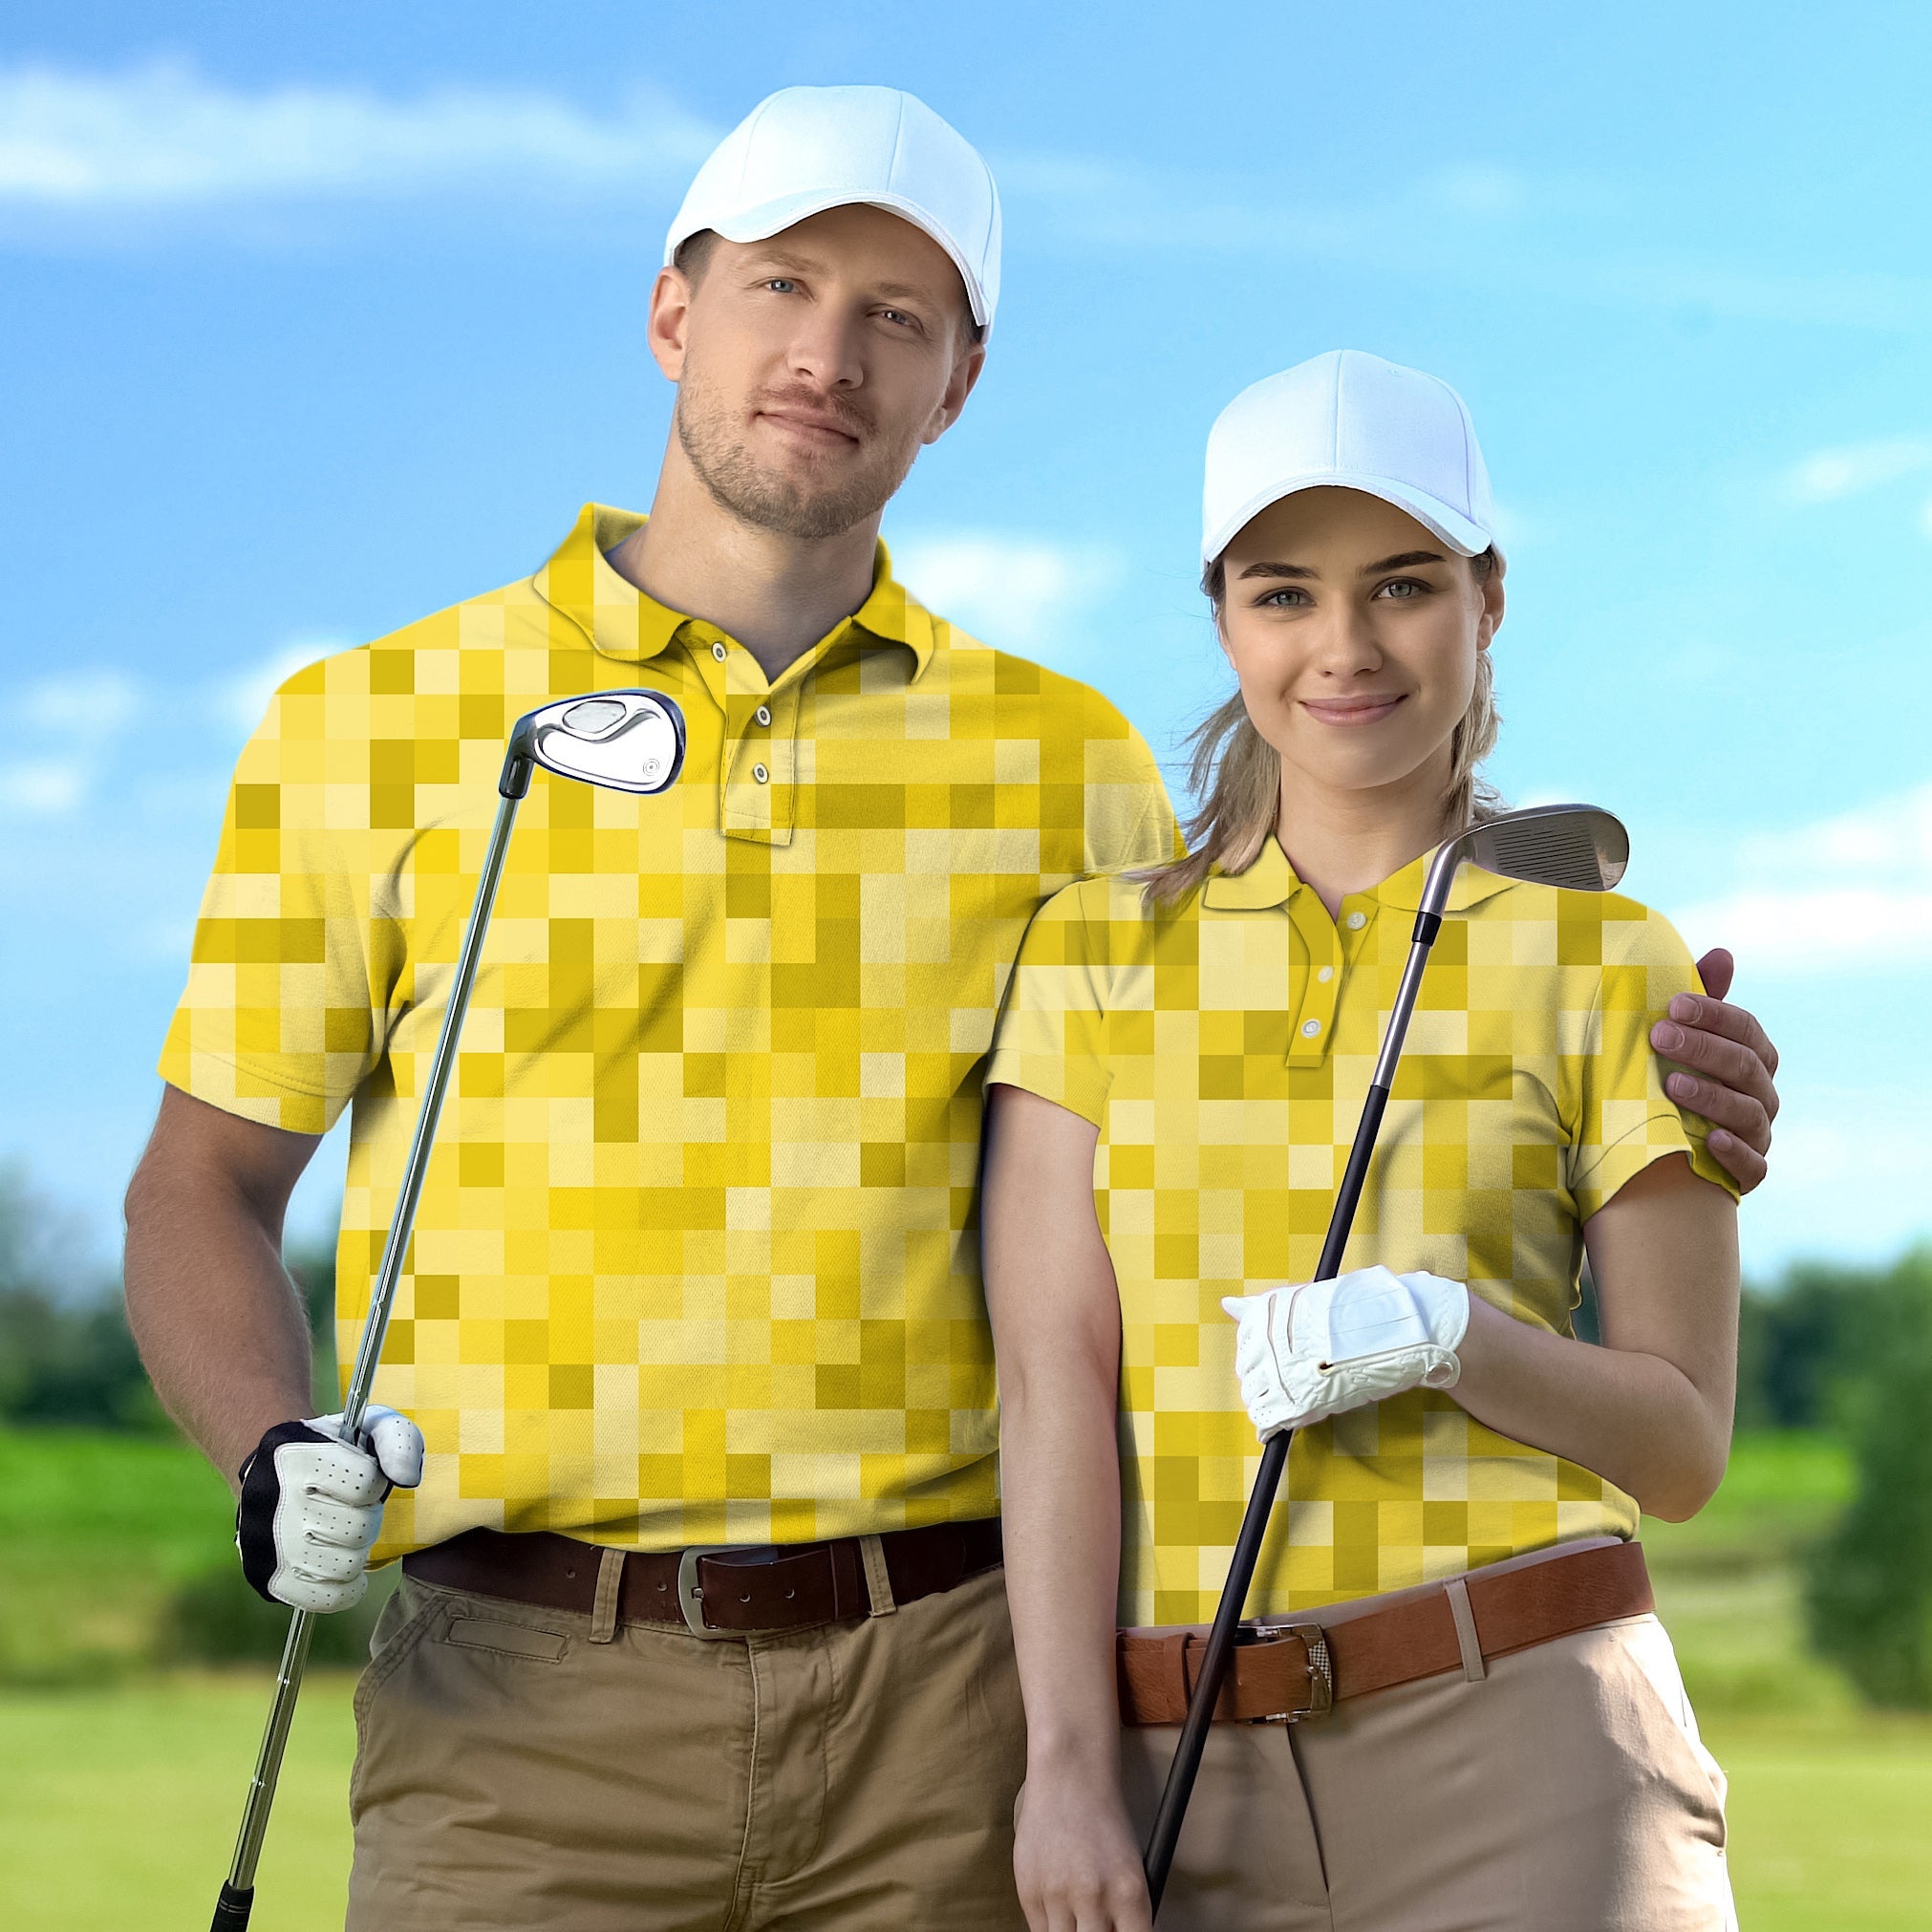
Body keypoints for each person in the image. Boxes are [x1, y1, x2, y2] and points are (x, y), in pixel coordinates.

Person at [119, 83, 1778, 1928]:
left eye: (894, 316)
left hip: (947, 1701)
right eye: (780, 287)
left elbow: (1283, 1053)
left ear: (960, 380)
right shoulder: (366, 726)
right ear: (673, 310)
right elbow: (199, 1187)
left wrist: (1648, 1059)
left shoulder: (1064, 765)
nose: (826, 354)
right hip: (514, 1706)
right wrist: (270, 1451)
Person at [983, 351, 1749, 1930]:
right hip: (1184, 1769)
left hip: (1533, 1735)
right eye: (1283, 594)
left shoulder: (1608, 953)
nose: (1342, 647)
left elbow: (1677, 1449)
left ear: (1485, 600)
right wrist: (1062, 1762)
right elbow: (1049, 1379)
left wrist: (1443, 1334)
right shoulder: (1088, 954)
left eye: (1400, 585)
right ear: (1220, 618)